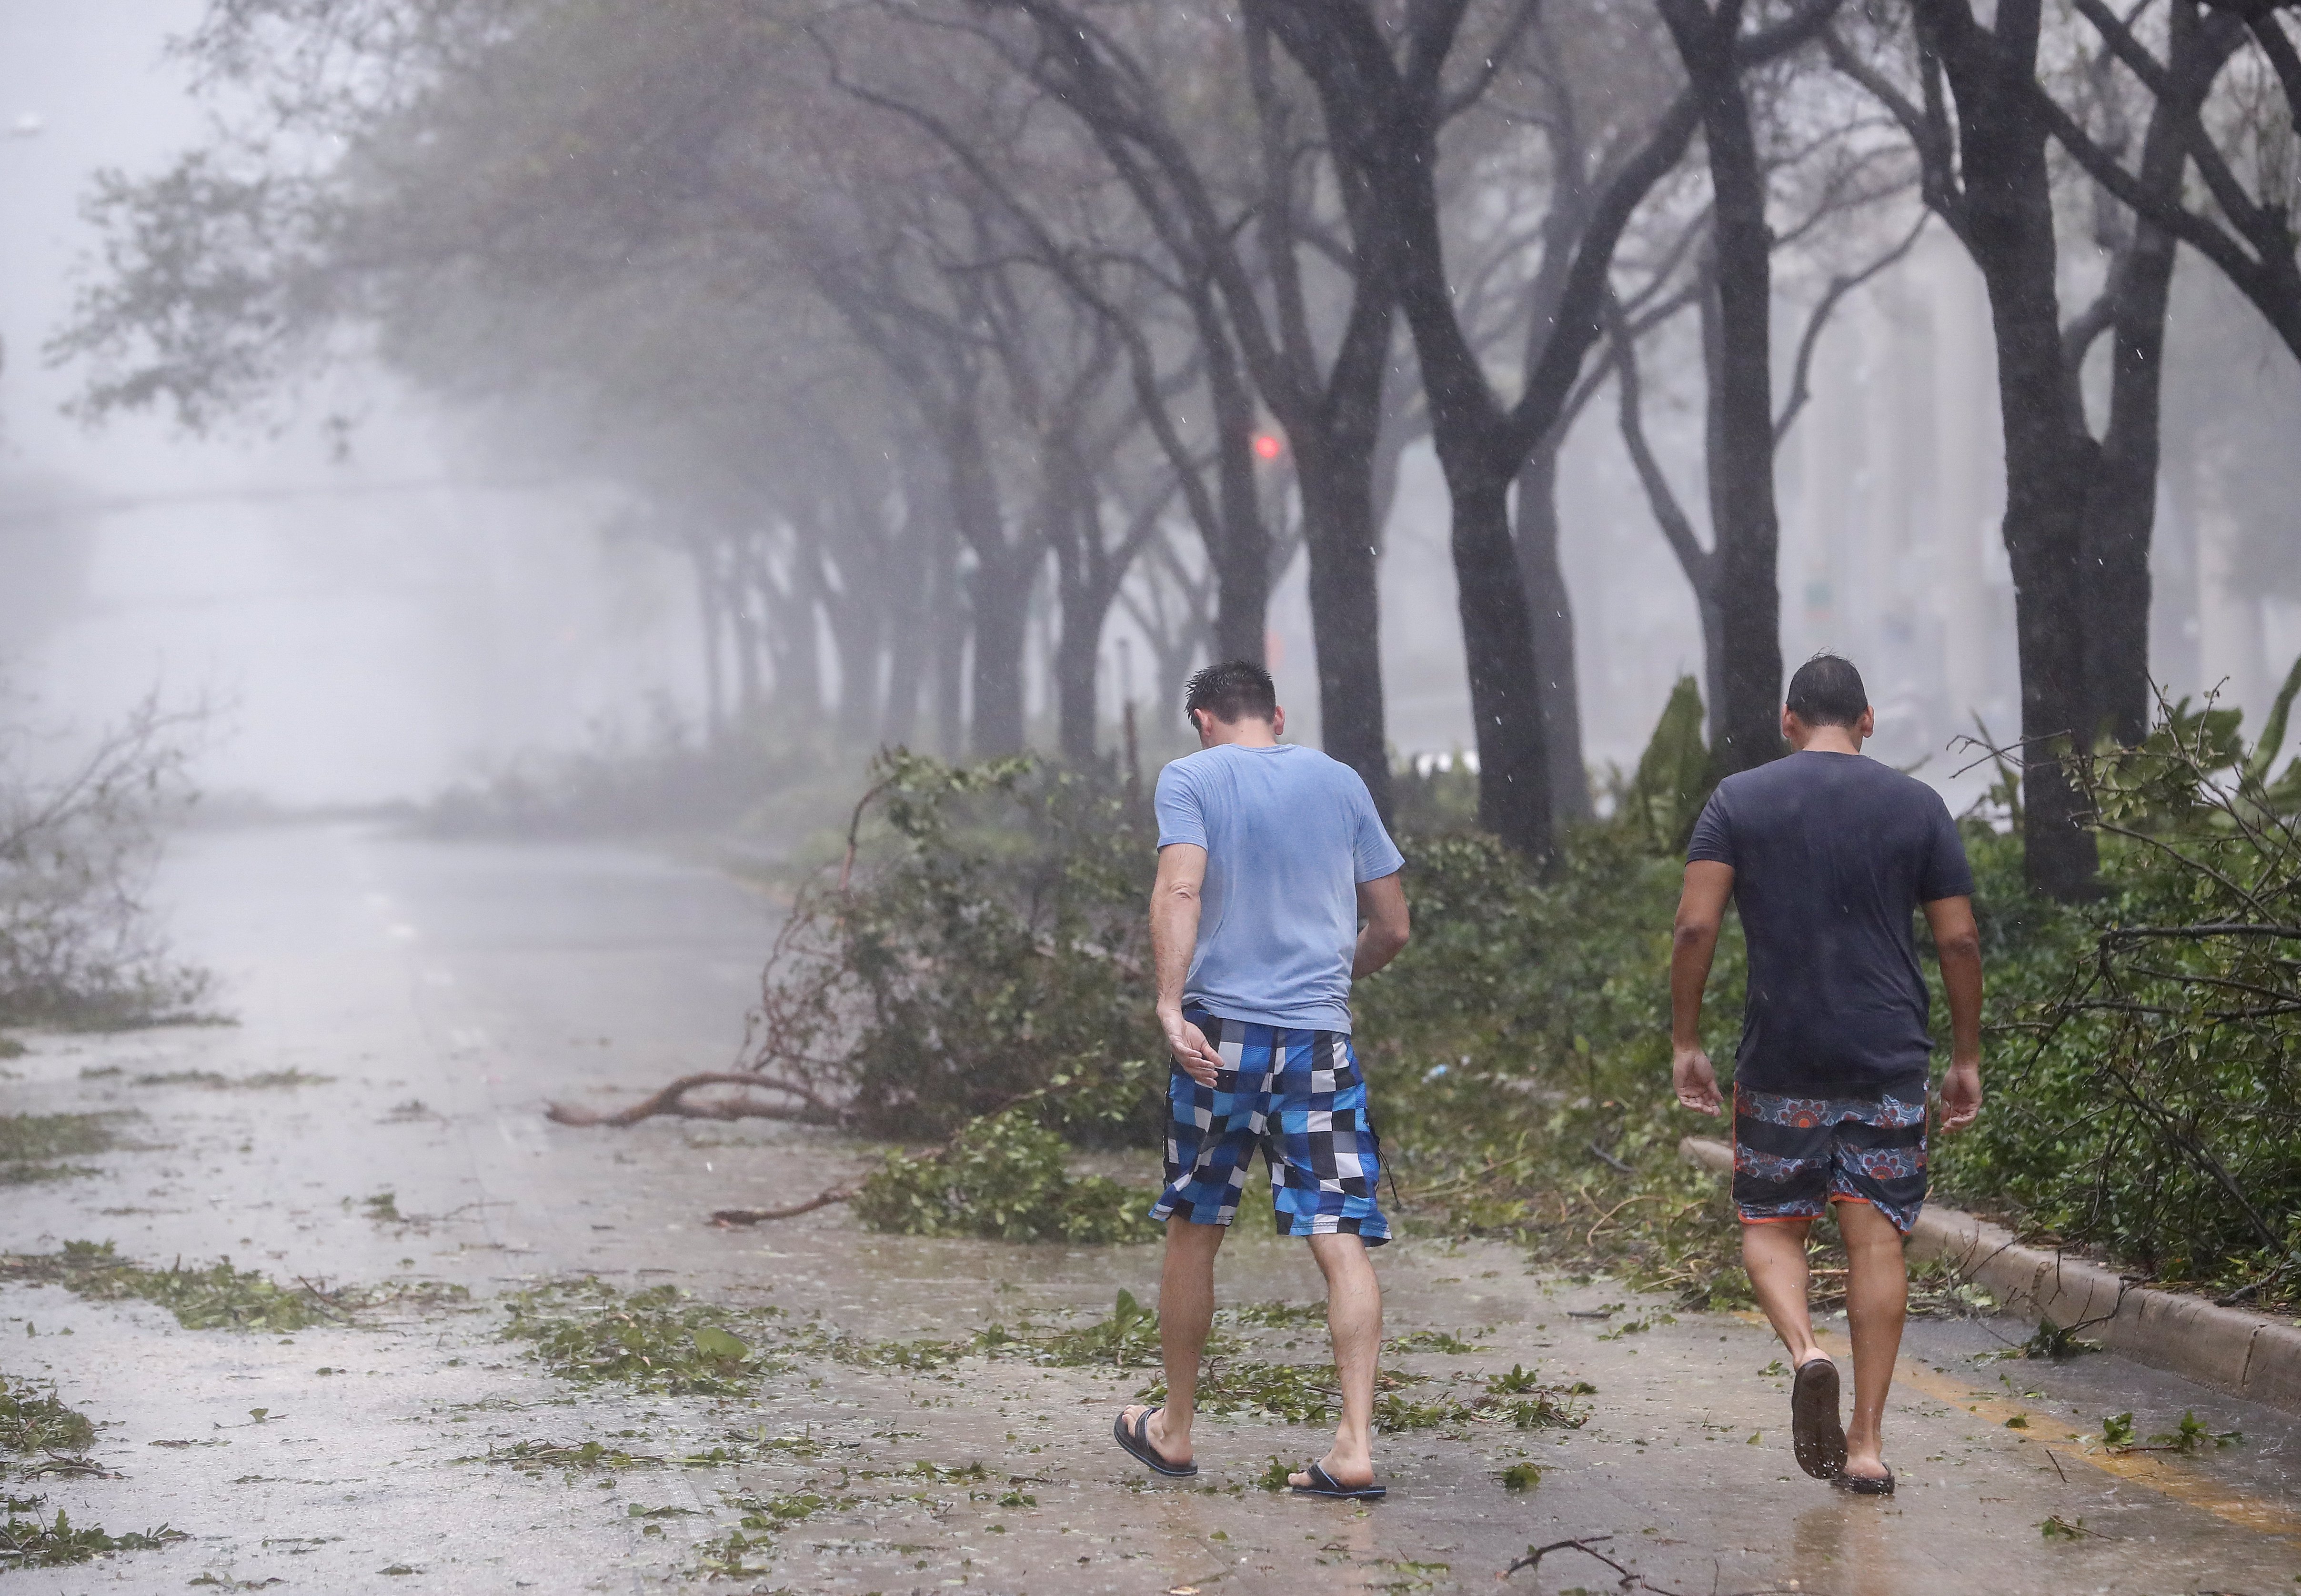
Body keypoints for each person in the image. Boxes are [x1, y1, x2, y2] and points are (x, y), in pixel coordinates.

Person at [1668, 653, 1984, 1496]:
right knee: (1875, 1232)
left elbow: (1695, 927)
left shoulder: (1740, 800)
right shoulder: (1917, 806)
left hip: (1783, 1052)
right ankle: (1870, 1443)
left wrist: (1686, 1038)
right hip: (1886, 1053)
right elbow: (1958, 940)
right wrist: (1964, 1057)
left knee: (1773, 1222)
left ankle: (1807, 1350)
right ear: (1869, 721)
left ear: (1788, 720)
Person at [1112, 659, 1411, 1502]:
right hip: (1318, 1041)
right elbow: (1392, 926)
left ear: (1203, 719)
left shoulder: (1192, 776)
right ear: (1277, 716)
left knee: (1197, 1221)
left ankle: (1174, 1430)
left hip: (1220, 1036)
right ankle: (1353, 1445)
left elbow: (1180, 885)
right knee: (1339, 1232)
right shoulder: (1341, 781)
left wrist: (1172, 1010)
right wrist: (1332, 978)